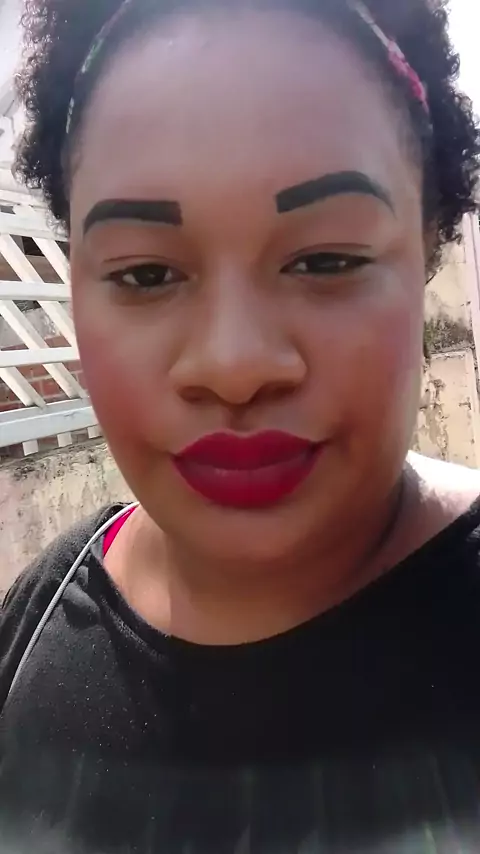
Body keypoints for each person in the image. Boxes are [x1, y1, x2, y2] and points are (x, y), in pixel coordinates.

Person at [1, 0, 480, 850]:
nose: (234, 365)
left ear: (428, 247)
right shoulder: (32, 626)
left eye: (325, 260)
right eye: (146, 274)